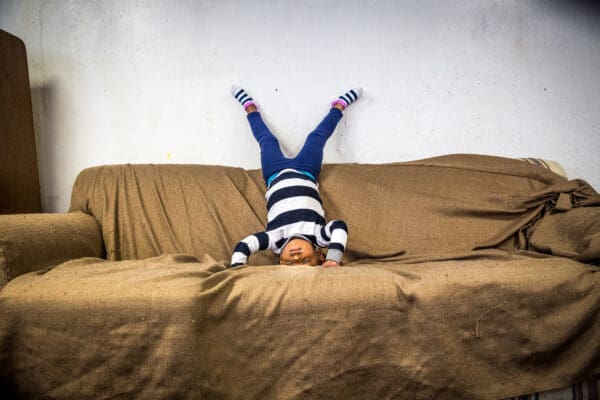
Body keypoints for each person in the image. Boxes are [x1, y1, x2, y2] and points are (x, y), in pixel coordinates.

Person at [229, 85, 362, 268]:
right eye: (306, 260)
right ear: (318, 255)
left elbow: (245, 245)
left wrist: (237, 267)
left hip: (274, 173)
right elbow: (339, 227)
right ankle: (338, 106)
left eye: (290, 263)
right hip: (306, 170)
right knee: (317, 137)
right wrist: (333, 258)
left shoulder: (274, 240)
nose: (296, 257)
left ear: (281, 260)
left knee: (267, 141)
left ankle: (250, 108)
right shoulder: (318, 236)